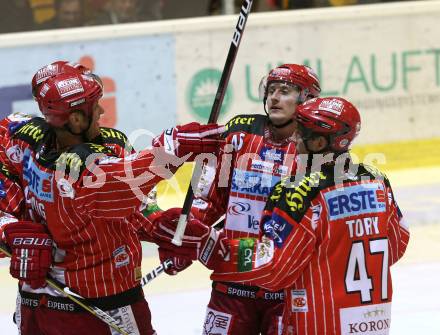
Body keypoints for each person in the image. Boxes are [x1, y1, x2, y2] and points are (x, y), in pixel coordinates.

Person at [152, 96, 410, 335]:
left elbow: (273, 268)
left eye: (301, 132)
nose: (294, 137)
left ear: (319, 143)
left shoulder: (298, 191)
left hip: (316, 323)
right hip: (371, 323)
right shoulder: (376, 180)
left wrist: (210, 245)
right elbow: (397, 245)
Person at [0, 68, 224, 334]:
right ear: (75, 119)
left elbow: (131, 204)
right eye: (95, 107)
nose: (102, 113)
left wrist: (158, 226)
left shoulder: (107, 145)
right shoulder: (38, 146)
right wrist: (7, 229)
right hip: (57, 308)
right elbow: (115, 187)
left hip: (101, 304)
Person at [164, 64, 320, 334]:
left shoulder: (316, 148)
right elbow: (209, 198)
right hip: (232, 282)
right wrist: (186, 239)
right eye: (271, 90)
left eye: (285, 91)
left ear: (307, 99)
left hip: (286, 288)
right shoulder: (240, 134)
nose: (274, 97)